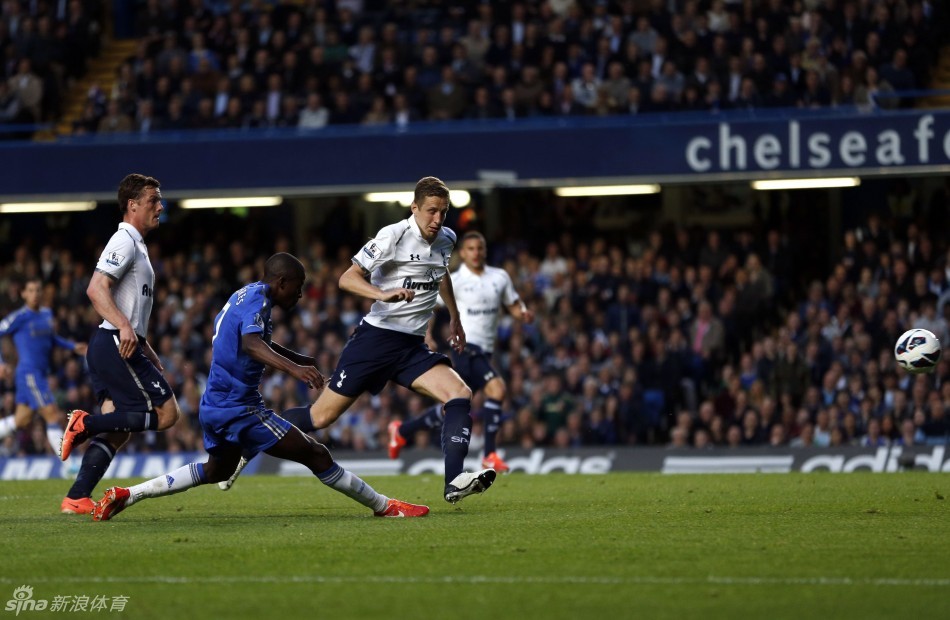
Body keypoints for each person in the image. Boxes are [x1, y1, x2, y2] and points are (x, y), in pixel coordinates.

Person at [91, 253, 428, 520]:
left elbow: (249, 340)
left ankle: (127, 494)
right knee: (316, 453)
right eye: (297, 286)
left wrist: (297, 356)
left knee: (215, 469)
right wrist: (295, 369)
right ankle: (385, 506)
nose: (300, 293)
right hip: (241, 407)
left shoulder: (245, 295)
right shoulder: (258, 303)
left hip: (216, 405)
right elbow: (251, 345)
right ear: (281, 282)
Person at [309, 176, 496, 504]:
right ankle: (255, 434)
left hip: (410, 347)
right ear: (415, 208)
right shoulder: (393, 235)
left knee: (459, 394)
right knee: (320, 418)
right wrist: (383, 293)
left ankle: (454, 481)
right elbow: (346, 278)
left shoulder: (447, 239)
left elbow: (441, 275)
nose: (437, 220)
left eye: (444, 212)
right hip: (376, 340)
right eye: (431, 211)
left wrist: (455, 316)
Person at [58, 173, 184, 515]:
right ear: (132, 206)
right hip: (114, 343)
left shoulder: (137, 244)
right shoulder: (124, 240)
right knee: (167, 414)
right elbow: (96, 288)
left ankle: (76, 497)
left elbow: (131, 308)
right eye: (154, 201)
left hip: (114, 343)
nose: (161, 207)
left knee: (118, 426)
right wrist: (126, 327)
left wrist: (146, 345)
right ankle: (84, 423)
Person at [388, 231, 534, 473]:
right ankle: (489, 455)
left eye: (480, 248)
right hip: (465, 347)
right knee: (497, 389)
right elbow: (431, 305)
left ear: (485, 250)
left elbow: (513, 304)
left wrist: (524, 313)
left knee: (454, 405)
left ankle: (402, 431)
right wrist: (427, 333)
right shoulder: (454, 280)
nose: (476, 253)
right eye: (471, 249)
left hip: (485, 351)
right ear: (463, 254)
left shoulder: (499, 277)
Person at [0, 277, 88, 454]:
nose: (35, 294)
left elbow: (51, 338)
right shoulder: (19, 317)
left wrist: (72, 346)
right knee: (52, 415)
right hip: (29, 373)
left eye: (38, 290)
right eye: (31, 290)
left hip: (39, 373)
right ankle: (68, 467)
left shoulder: (47, 314)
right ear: (24, 294)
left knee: (21, 420)